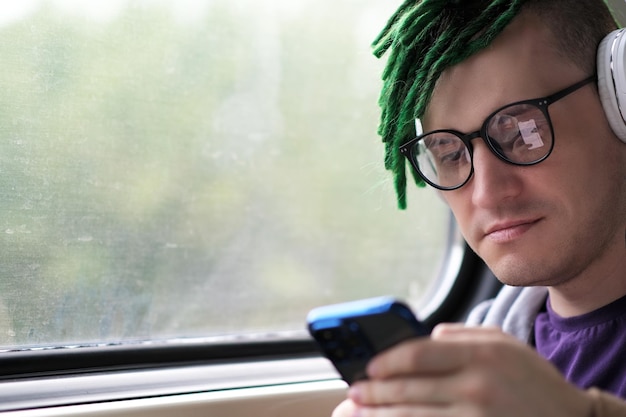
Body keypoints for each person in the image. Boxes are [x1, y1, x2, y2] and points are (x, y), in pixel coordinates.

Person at [333, 0, 626, 415]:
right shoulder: (482, 353)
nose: (485, 193)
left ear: (619, 99)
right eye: (449, 153)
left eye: (523, 131)